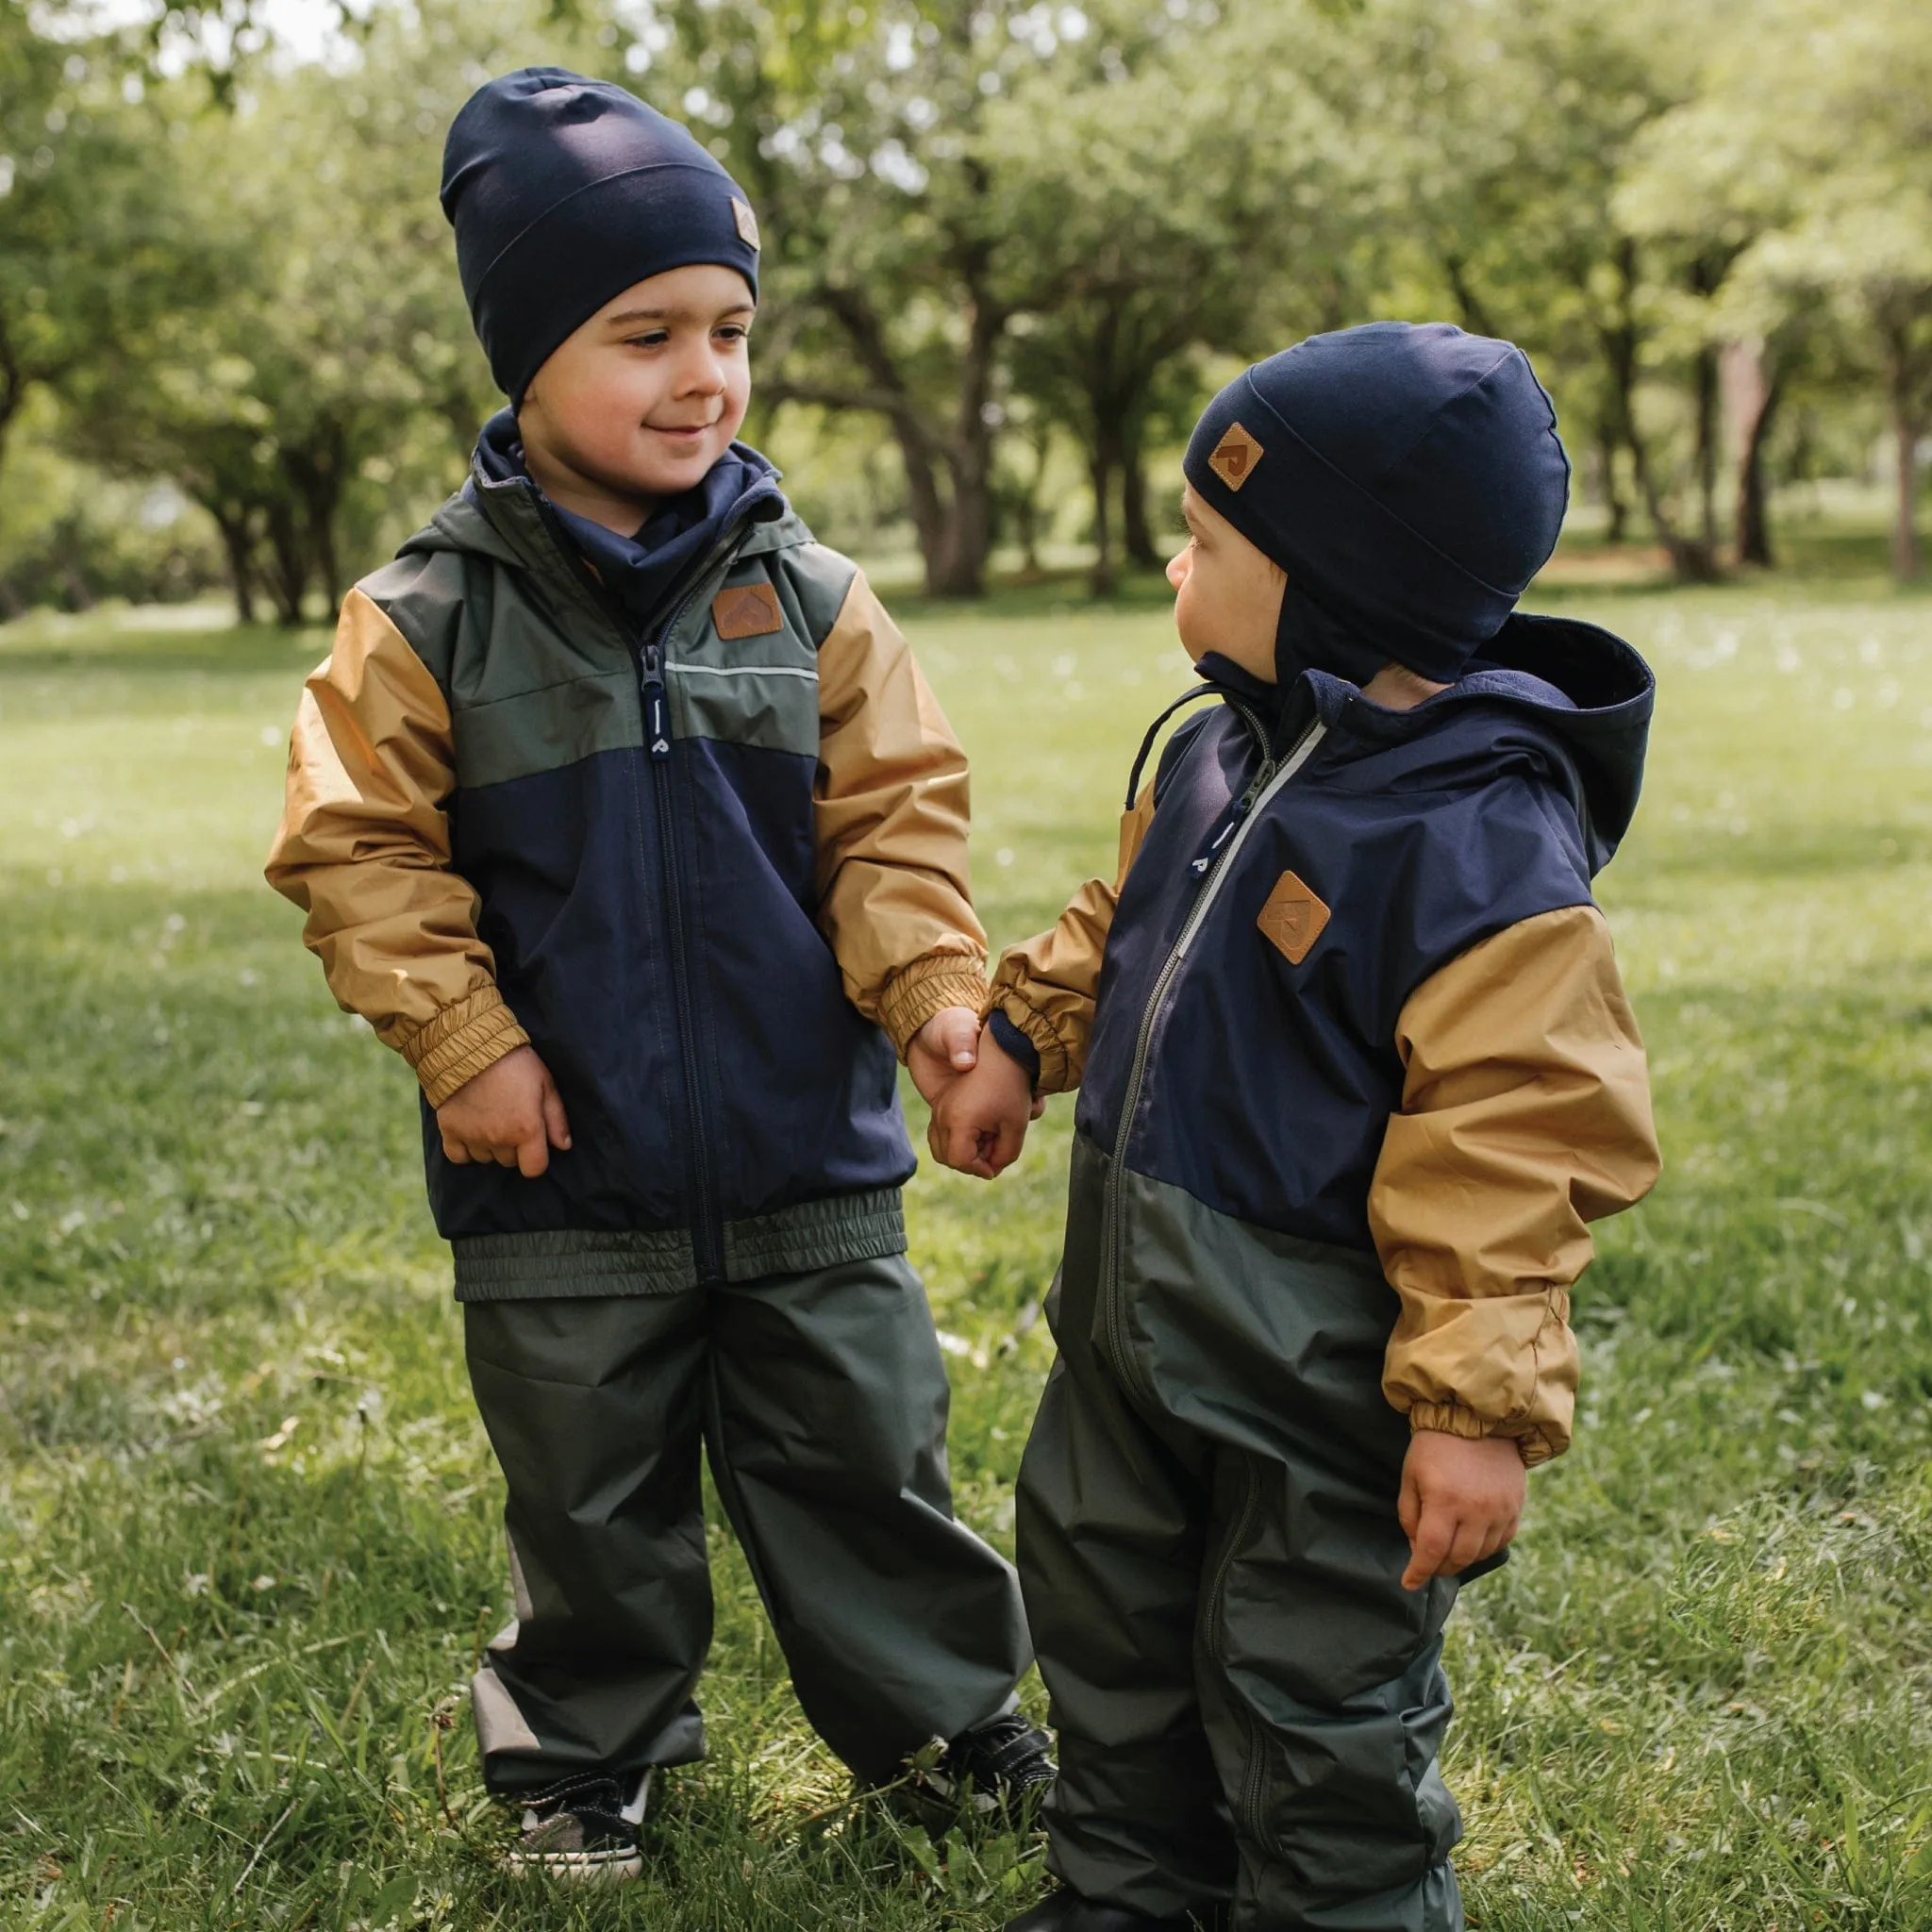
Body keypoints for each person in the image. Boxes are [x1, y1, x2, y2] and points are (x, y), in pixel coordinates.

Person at [265, 67, 1047, 1883]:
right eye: (646, 334)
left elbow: (895, 828)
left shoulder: (819, 603)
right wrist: (462, 1039)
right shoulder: (421, 621)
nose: (705, 374)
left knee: (869, 1458)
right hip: (558, 1171)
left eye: (731, 329)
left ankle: (941, 1721)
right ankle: (579, 1758)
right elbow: (358, 849)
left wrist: (936, 993)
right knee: (589, 1492)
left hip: (803, 1156)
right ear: (526, 359)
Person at [931, 323, 1662, 1931]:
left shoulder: (1477, 846)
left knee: (1309, 1690)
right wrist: (1022, 1035)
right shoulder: (1222, 746)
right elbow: (1122, 922)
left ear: (1337, 581)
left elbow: (1518, 1142)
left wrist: (1476, 1405)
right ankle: (1127, 1894)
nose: (1174, 577)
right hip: (1130, 1343)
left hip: (1315, 1394)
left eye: (1205, 544)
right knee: (1107, 1621)